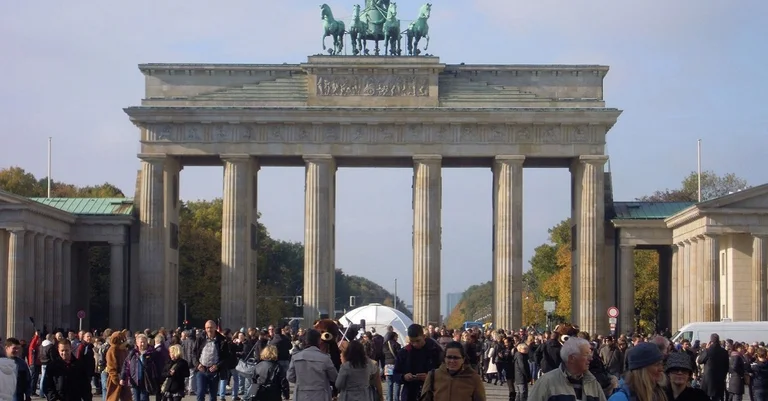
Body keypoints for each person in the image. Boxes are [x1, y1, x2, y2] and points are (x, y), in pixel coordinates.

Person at [529, 337, 606, 401]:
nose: (591, 358)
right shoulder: (546, 382)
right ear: (572, 358)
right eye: (586, 354)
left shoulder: (593, 383)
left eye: (590, 354)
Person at [419, 341, 485, 401]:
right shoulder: (433, 375)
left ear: (463, 359)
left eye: (456, 358)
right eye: (449, 357)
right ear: (444, 358)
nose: (452, 361)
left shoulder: (473, 378)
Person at [287, 329, 338, 401]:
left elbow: (290, 377)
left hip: (301, 394)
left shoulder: (296, 357)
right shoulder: (325, 358)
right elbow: (334, 377)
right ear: (318, 341)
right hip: (321, 394)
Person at [105, 332, 131, 401]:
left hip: (124, 376)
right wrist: (116, 378)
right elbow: (111, 367)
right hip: (116, 378)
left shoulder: (124, 350)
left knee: (127, 397)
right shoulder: (112, 350)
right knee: (113, 397)